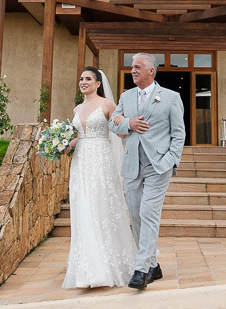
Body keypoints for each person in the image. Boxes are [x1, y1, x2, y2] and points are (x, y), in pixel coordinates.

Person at [108, 53, 186, 290]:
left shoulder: (171, 97)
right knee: (136, 215)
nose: (133, 70)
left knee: (148, 212)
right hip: (132, 164)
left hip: (158, 165)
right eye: (132, 67)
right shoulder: (126, 96)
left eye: (138, 67)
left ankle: (141, 269)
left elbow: (179, 132)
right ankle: (153, 264)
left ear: (151, 71)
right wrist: (128, 123)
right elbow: (113, 122)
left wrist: (171, 160)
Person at [62, 67, 137, 289]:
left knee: (99, 207)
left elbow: (120, 131)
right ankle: (86, 269)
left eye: (88, 79)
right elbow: (80, 135)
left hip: (101, 161)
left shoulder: (107, 105)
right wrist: (65, 145)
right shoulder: (77, 108)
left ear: (97, 83)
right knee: (82, 208)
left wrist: (127, 124)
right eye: (81, 79)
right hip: (81, 162)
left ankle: (104, 267)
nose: (83, 82)